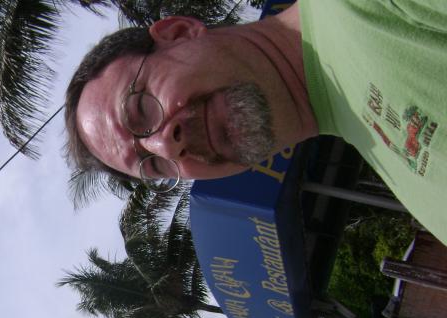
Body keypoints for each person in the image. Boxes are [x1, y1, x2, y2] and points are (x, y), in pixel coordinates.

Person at [64, 1, 446, 243]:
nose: (167, 146)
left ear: (179, 33)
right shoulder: (397, 175)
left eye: (141, 110)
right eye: (155, 166)